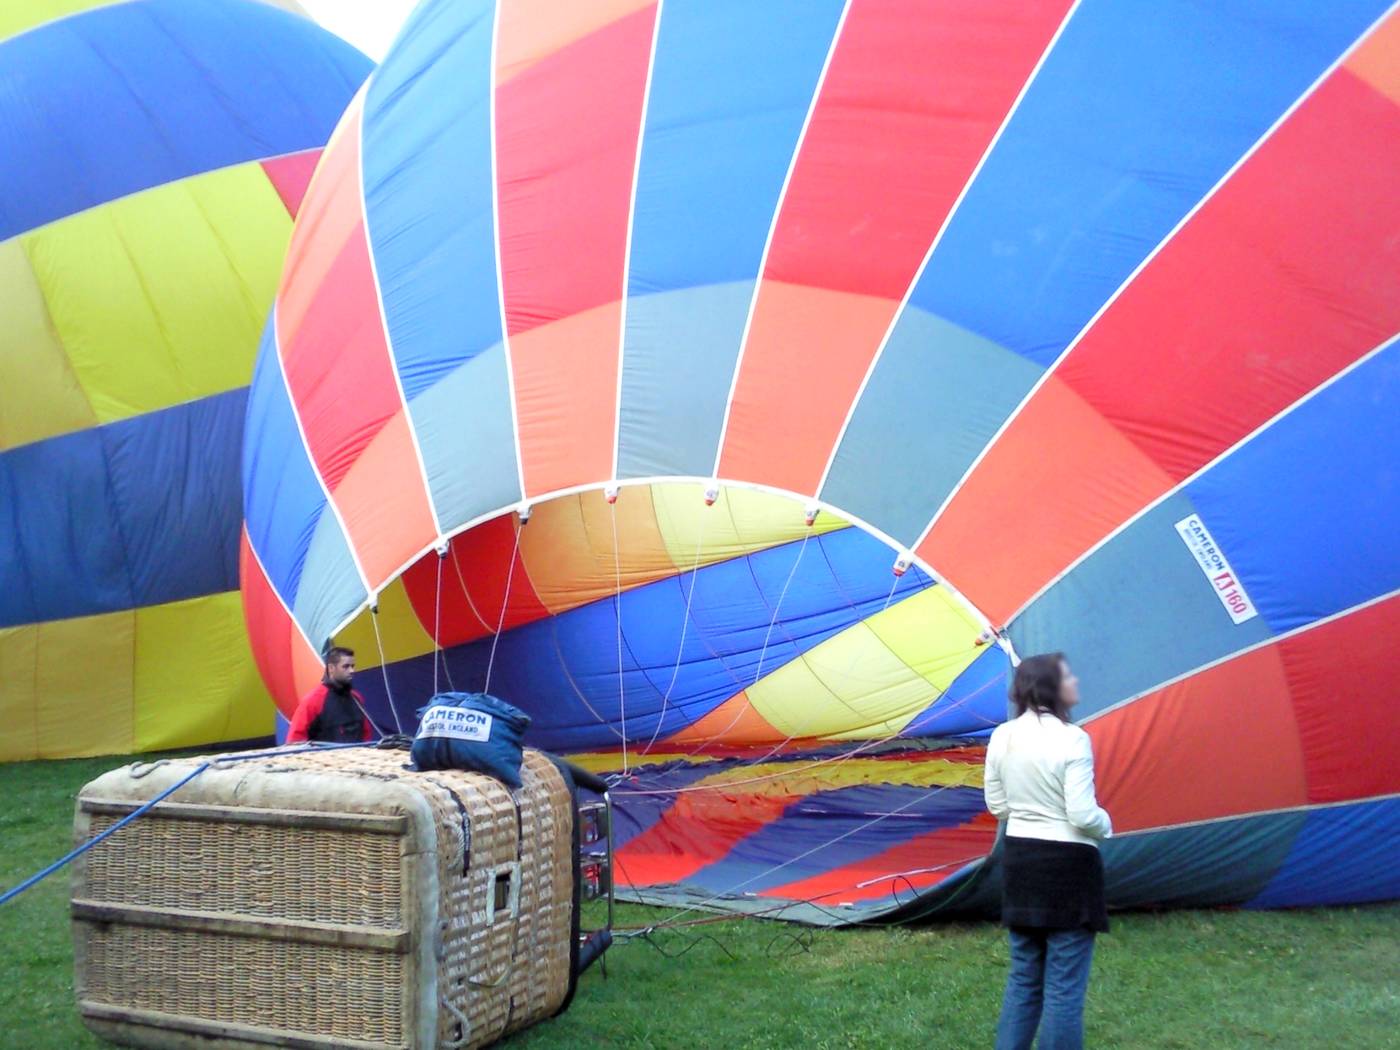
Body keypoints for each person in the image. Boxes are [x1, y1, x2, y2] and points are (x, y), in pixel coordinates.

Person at [985, 652, 1112, 1050]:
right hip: (1067, 867)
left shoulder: (1001, 736)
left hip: (1020, 860)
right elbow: (1081, 813)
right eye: (1068, 676)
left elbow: (997, 805)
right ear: (1052, 688)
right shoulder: (1073, 738)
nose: (1075, 681)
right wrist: (1106, 824)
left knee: (1024, 977)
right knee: (1063, 988)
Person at [286, 646, 377, 744]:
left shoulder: (356, 698)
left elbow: (366, 735)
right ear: (331, 668)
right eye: (346, 666)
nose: (351, 671)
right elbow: (294, 742)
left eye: (352, 666)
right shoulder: (313, 702)